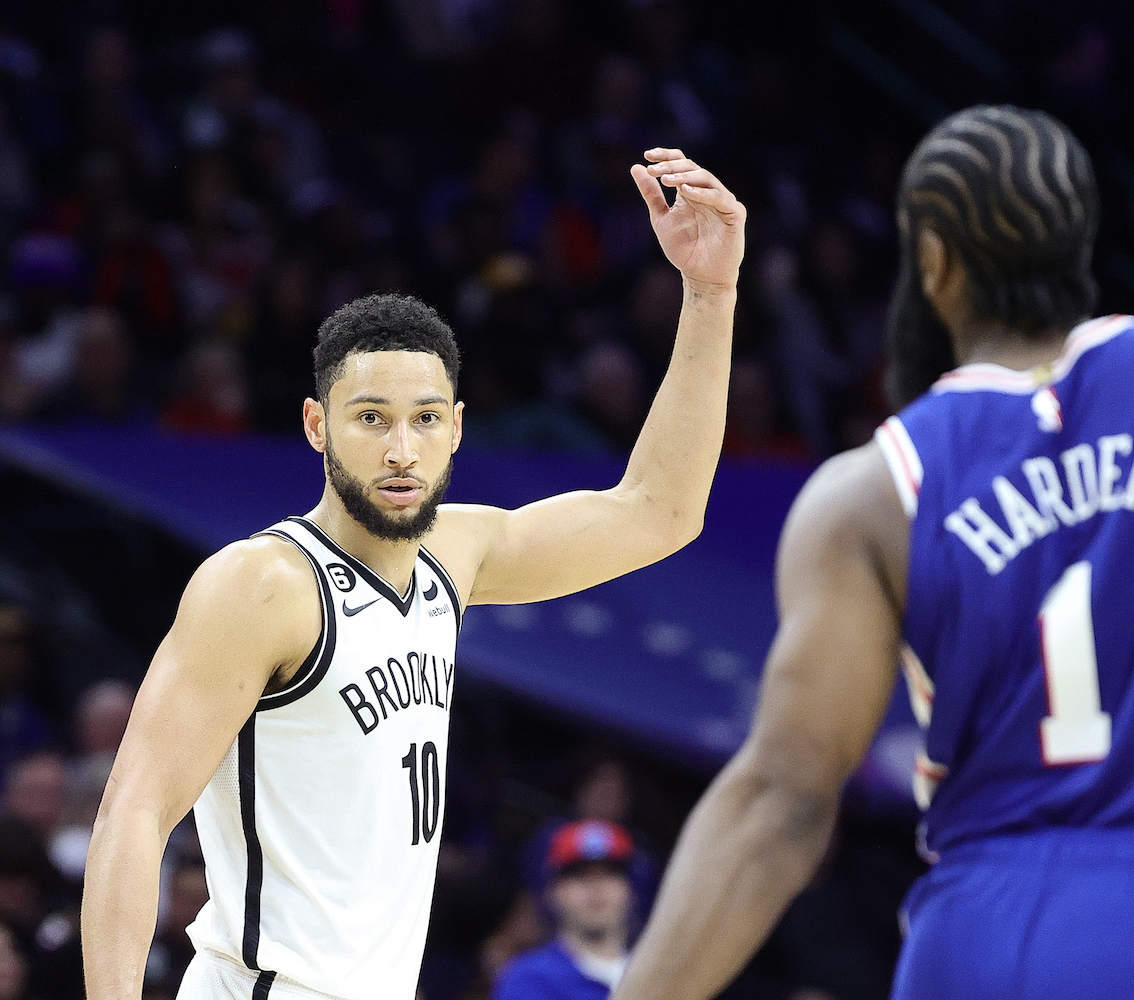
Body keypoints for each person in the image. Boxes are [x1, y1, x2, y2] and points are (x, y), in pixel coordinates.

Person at [610, 106, 1134, 1000]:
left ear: (932, 262)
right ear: (1079, 234)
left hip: (965, 946)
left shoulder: (871, 491)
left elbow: (778, 799)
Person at [80, 147, 745, 1000]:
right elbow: (131, 814)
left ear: (458, 428)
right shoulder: (262, 585)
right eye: (371, 419)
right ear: (317, 425)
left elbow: (661, 510)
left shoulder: (455, 556)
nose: (401, 450)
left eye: (425, 419)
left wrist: (711, 292)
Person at [491, 820, 637, 1000]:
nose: (596, 888)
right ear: (554, 892)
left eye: (609, 874)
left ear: (629, 889)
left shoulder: (656, 973)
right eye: (580, 876)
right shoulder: (530, 979)